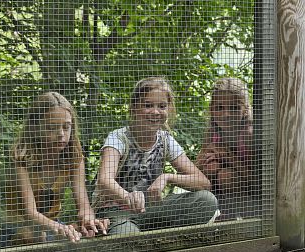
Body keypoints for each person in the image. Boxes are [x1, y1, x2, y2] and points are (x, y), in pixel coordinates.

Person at [92, 77, 219, 236]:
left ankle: (157, 239)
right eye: (147, 105)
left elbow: (203, 183)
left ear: (169, 109)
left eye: (162, 106)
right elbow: (104, 180)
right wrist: (128, 197)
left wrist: (167, 177)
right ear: (134, 108)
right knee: (128, 239)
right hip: (116, 211)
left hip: (152, 211)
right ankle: (138, 238)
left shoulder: (165, 139)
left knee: (206, 200)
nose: (155, 111)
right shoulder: (117, 138)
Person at [0, 91, 109, 247]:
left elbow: (84, 205)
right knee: (38, 235)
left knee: (91, 231)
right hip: (20, 229)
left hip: (54, 226)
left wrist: (89, 220)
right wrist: (62, 229)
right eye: (51, 128)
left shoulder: (75, 158)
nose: (61, 134)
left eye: (66, 127)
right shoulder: (21, 158)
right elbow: (30, 213)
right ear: (36, 127)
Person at [195, 77, 255, 219]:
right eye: (219, 108)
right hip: (223, 193)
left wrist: (227, 156)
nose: (226, 114)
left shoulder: (249, 133)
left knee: (225, 175)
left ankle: (244, 219)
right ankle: (223, 214)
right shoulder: (213, 132)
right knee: (211, 167)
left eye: (234, 108)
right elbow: (195, 169)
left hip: (252, 196)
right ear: (211, 109)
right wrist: (205, 160)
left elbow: (256, 179)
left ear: (245, 109)